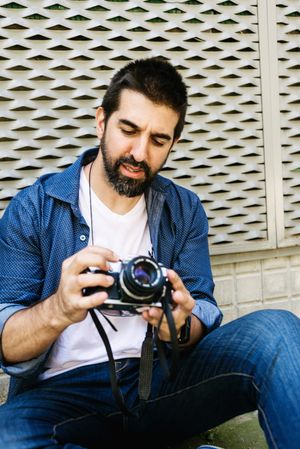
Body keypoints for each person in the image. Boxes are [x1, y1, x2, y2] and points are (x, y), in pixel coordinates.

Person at [0, 57, 299, 449]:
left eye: (158, 140)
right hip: (62, 395)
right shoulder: (35, 208)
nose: (140, 153)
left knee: (277, 330)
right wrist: (59, 308)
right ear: (102, 121)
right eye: (129, 130)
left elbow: (202, 310)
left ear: (173, 143)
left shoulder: (184, 208)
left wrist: (175, 325)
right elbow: (6, 341)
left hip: (161, 379)